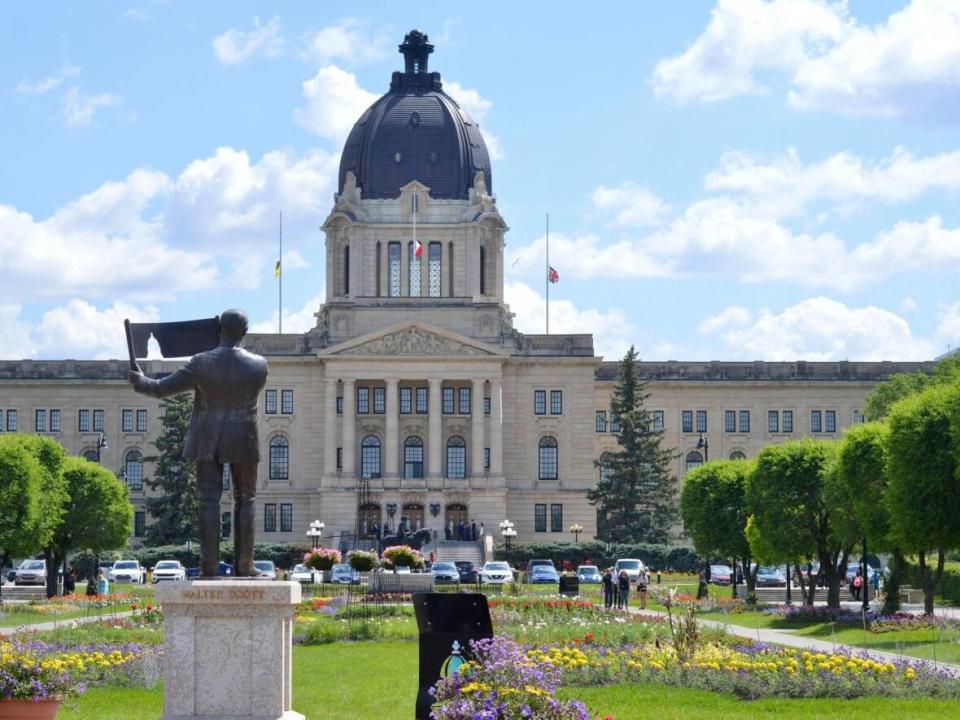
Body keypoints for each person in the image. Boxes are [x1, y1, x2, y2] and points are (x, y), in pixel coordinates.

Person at [129, 309, 268, 577]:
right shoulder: (260, 365)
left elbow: (161, 388)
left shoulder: (202, 362)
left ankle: (209, 567)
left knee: (208, 501)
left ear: (218, 329)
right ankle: (245, 566)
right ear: (245, 332)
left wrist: (140, 381)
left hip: (208, 436)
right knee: (246, 499)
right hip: (245, 436)